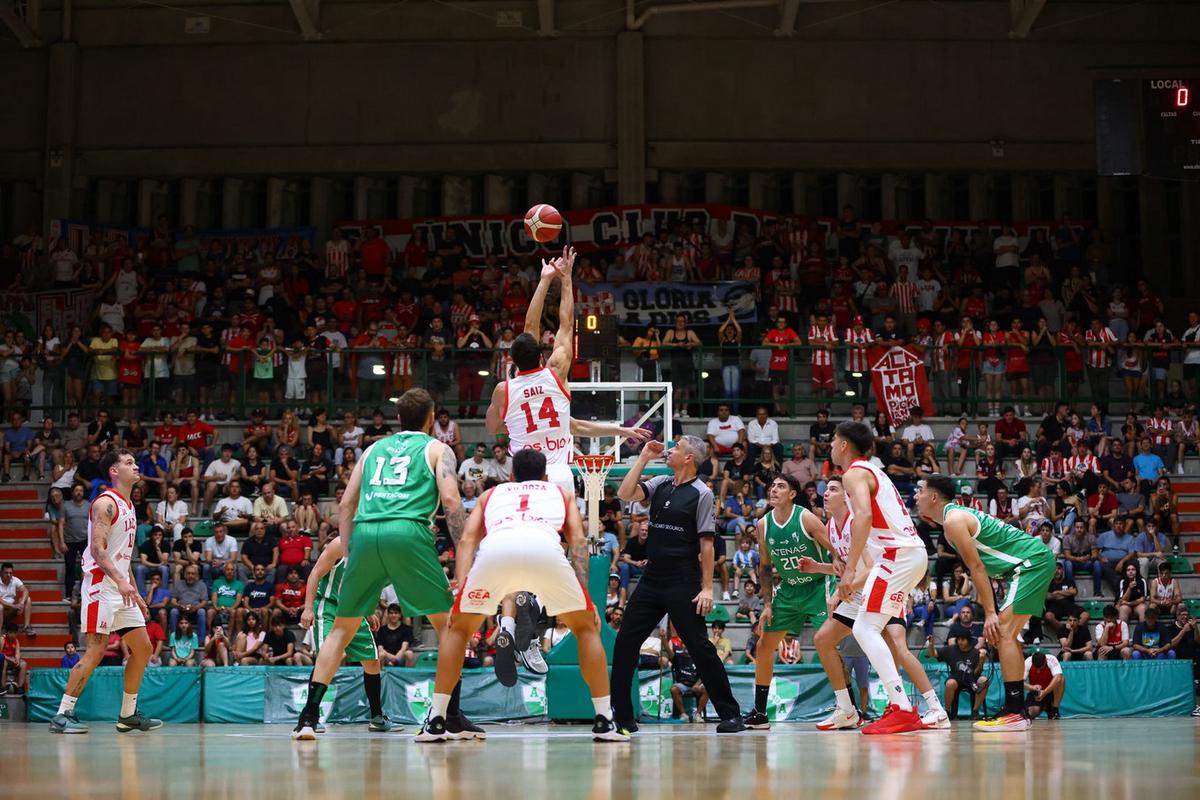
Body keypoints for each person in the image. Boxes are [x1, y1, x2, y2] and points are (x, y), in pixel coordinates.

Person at [482, 247, 647, 683]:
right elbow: (567, 324)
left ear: (512, 360)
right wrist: (566, 278)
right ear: (542, 354)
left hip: (520, 473)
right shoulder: (556, 371)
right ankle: (533, 627)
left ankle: (509, 622)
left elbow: (493, 425)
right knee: (552, 552)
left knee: (519, 550)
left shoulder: (506, 388)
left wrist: (541, 280)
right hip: (556, 474)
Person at [291, 389, 478, 741]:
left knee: (340, 631)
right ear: (430, 419)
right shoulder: (438, 449)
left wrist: (350, 553)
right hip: (408, 530)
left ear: (398, 419)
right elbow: (452, 501)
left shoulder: (373, 449)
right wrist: (462, 552)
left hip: (364, 533)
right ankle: (447, 715)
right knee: (449, 627)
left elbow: (345, 505)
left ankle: (307, 718)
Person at [419, 448, 626, 742]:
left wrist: (461, 590)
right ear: (545, 476)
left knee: (459, 630)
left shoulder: (490, 495)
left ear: (512, 476)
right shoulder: (561, 493)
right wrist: (584, 597)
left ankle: (437, 720)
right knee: (585, 627)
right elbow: (578, 542)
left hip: (496, 551)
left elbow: (466, 540)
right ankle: (605, 719)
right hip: (544, 550)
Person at [613, 436, 744, 734]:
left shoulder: (702, 493)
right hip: (651, 579)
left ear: (689, 458)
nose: (669, 449)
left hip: (682, 580)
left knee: (699, 646)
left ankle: (730, 713)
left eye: (676, 447)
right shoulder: (660, 481)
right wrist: (643, 458)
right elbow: (625, 492)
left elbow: (707, 543)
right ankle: (622, 717)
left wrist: (707, 588)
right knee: (625, 642)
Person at [914, 474, 1057, 732]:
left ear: (934, 497)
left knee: (1002, 631)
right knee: (1007, 635)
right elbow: (984, 566)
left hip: (1030, 565)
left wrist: (990, 612)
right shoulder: (955, 518)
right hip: (1030, 564)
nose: (915, 495)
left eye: (920, 490)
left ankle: (1015, 712)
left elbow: (977, 566)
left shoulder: (953, 520)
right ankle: (1017, 711)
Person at [804, 476, 948, 732]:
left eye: (834, 489)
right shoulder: (830, 528)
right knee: (822, 639)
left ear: (846, 498)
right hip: (857, 595)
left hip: (880, 588)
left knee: (900, 651)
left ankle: (934, 708)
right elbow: (845, 569)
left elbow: (871, 569)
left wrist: (840, 592)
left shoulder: (857, 525)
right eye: (826, 490)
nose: (827, 494)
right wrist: (819, 568)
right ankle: (846, 709)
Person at [49, 449, 163, 734]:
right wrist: (120, 581)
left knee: (144, 648)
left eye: (135, 462)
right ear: (114, 471)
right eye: (128, 463)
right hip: (101, 586)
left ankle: (127, 715)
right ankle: (62, 713)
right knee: (96, 650)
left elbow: (122, 555)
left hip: (121, 588)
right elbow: (98, 551)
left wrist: (134, 591)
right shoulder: (105, 504)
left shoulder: (129, 506)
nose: (135, 466)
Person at [830, 421, 931, 734]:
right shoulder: (873, 471)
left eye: (834, 441)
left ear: (845, 445)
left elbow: (863, 516)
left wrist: (849, 571)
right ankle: (902, 703)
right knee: (870, 628)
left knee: (864, 627)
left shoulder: (854, 473)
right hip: (908, 553)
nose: (831, 446)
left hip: (897, 553)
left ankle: (902, 706)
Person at [738, 474, 835, 729]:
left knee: (829, 645)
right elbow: (766, 568)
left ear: (792, 494)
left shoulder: (806, 518)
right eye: (772, 486)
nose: (774, 490)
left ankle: (847, 706)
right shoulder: (763, 525)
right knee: (764, 644)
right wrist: (767, 604)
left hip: (818, 587)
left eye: (781, 486)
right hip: (789, 589)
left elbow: (837, 553)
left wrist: (837, 582)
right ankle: (760, 713)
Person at [300, 535, 400, 732]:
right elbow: (314, 574)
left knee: (372, 661)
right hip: (328, 607)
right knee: (327, 658)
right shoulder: (339, 545)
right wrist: (307, 608)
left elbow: (364, 585)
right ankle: (309, 716)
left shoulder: (376, 552)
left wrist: (368, 611)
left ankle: (377, 717)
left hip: (354, 609)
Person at [927, 632, 989, 720]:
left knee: (984, 680)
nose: (960, 642)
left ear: (968, 640)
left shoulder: (975, 652)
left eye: (963, 639)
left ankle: (975, 711)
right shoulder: (951, 649)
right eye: (958, 639)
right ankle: (948, 712)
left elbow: (976, 673)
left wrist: (981, 661)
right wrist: (931, 643)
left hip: (972, 680)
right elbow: (932, 654)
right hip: (956, 678)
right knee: (950, 683)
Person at [1023, 651, 1065, 719]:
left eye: (1041, 668)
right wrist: (1031, 687)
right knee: (1031, 713)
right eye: (1036, 668)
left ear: (1045, 661)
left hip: (1051, 692)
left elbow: (1058, 677)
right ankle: (1042, 707)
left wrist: (1045, 692)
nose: (1038, 670)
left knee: (1061, 679)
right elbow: (1020, 682)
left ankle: (1055, 709)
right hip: (1036, 692)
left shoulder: (1051, 659)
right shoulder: (1028, 662)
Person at [0, 562, 32, 635]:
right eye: (6, 573)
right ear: (1, 572)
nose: (8, 575)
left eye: (10, 573)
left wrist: (21, 603)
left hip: (11, 610)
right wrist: (14, 606)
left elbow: (25, 590)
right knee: (0, 607)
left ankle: (26, 627)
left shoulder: (15, 580)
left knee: (28, 599)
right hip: (2, 609)